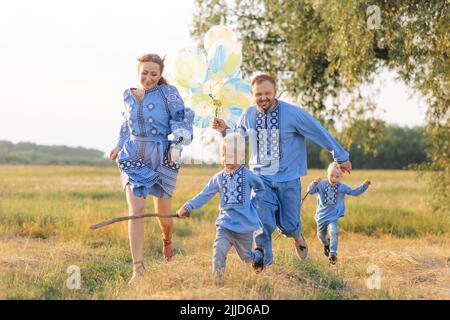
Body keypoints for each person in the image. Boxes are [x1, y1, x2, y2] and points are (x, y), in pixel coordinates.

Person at [211, 73, 352, 267]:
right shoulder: (248, 115)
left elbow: (319, 132)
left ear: (275, 92)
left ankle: (296, 235)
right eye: (258, 94)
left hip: (289, 179)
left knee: (288, 225)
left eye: (267, 93)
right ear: (253, 95)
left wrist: (341, 156)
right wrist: (224, 130)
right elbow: (236, 139)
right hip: (261, 179)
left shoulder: (293, 113)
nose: (263, 97)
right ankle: (262, 259)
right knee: (262, 222)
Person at [109, 53, 194, 283]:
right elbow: (125, 123)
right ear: (138, 73)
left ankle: (167, 238)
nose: (148, 78)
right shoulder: (127, 95)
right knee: (135, 211)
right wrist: (118, 145)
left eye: (153, 74)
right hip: (133, 152)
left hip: (161, 154)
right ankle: (138, 268)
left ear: (160, 74)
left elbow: (181, 119)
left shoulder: (169, 93)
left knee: (163, 214)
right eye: (144, 73)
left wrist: (176, 145)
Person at [176, 133, 265, 275]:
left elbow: (260, 188)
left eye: (231, 155)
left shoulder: (248, 175)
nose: (226, 158)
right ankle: (218, 281)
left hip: (244, 227)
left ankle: (259, 255)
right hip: (225, 225)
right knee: (218, 251)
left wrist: (254, 204)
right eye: (223, 155)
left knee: (246, 258)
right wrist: (188, 206)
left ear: (241, 157)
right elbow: (204, 194)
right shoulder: (218, 178)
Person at [307, 162, 371, 264]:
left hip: (333, 217)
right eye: (331, 176)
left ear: (341, 176)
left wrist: (364, 186)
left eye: (337, 176)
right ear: (327, 174)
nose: (334, 179)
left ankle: (333, 255)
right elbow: (310, 191)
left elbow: (354, 192)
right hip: (321, 217)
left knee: (333, 232)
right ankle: (326, 244)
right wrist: (314, 183)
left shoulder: (342, 187)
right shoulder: (321, 184)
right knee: (321, 236)